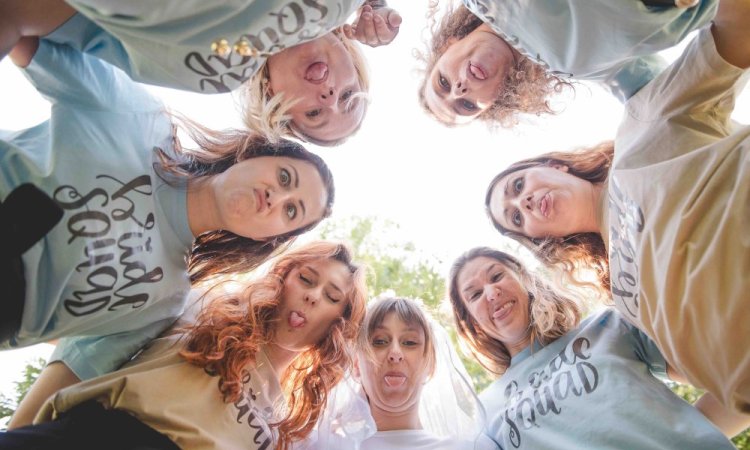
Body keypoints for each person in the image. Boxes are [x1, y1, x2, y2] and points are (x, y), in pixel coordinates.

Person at [1, 36, 336, 427]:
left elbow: (70, 374)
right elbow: (27, 32)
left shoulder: (164, 301)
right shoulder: (138, 118)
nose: (276, 197)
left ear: (267, 239)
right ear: (256, 153)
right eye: (284, 176)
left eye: (291, 210)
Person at [483, 0, 750, 413]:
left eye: (519, 186)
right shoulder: (622, 306)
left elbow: (734, 32)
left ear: (553, 165)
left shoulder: (642, 125)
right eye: (517, 217)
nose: (526, 202)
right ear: (541, 239)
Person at [0, 240, 368, 450]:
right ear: (282, 277)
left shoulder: (287, 421)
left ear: (339, 321)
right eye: (306, 279)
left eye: (331, 295)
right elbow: (86, 350)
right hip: (99, 435)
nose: (312, 296)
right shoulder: (203, 306)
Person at [448, 246, 749, 449]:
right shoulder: (485, 413)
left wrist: (685, 431)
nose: (490, 292)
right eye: (474, 294)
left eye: (497, 276)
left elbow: (731, 373)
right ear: (470, 322)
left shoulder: (610, 326)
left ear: (524, 278)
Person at [0, 0, 403, 146]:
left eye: (314, 114)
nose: (330, 98)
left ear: (272, 98)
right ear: (353, 58)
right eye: (348, 96)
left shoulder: (218, 69)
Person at [418, 0, 716, 127]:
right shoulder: (585, 66)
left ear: (447, 46)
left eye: (442, 82)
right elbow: (671, 103)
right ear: (497, 102)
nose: (459, 90)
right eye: (467, 105)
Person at [303, 296, 487, 450]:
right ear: (357, 366)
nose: (395, 354)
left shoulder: (470, 447)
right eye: (380, 341)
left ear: (431, 364)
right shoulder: (320, 446)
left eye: (410, 342)